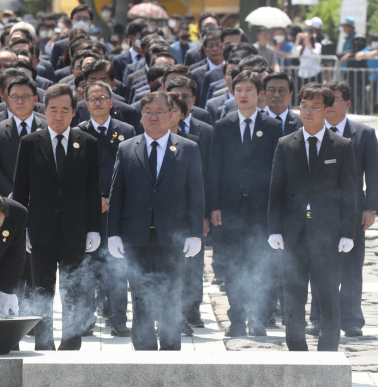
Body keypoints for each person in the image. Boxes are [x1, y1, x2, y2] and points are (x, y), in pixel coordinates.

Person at [108, 91, 204, 350]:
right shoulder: (127, 148)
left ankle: (171, 348)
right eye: (148, 111)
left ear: (171, 115)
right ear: (141, 116)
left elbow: (196, 194)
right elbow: (117, 193)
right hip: (135, 234)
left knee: (172, 294)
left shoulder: (188, 148)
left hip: (173, 235)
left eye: (159, 111)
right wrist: (113, 233)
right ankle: (144, 348)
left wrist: (196, 233)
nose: (153, 116)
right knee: (139, 294)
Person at [12, 84, 102, 350]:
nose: (58, 116)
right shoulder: (30, 143)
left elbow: (92, 189)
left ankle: (71, 341)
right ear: (44, 110)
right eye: (53, 109)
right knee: (42, 289)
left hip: (75, 230)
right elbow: (20, 191)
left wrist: (94, 229)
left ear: (74, 112)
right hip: (41, 230)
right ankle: (44, 341)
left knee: (73, 290)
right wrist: (22, 229)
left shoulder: (88, 143)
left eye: (65, 110)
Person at [268, 84, 357, 351]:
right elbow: (276, 190)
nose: (307, 111)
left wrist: (347, 232)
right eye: (304, 106)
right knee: (293, 293)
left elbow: (350, 192)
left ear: (327, 110)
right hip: (294, 232)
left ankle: (328, 349)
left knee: (328, 294)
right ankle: (297, 348)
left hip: (328, 234)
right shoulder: (285, 144)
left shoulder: (341, 146)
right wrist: (274, 229)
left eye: (314, 107)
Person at [209, 71, 284, 337]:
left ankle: (259, 317)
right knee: (233, 265)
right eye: (238, 89)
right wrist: (214, 205)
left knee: (262, 265)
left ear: (259, 94)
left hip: (262, 209)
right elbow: (214, 167)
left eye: (249, 90)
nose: (243, 94)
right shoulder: (223, 125)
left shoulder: (274, 127)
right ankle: (237, 318)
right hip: (230, 209)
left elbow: (279, 170)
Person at [305, 82, 378, 338]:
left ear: (347, 104)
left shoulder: (364, 133)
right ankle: (318, 317)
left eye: (334, 99)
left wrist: (371, 207)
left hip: (353, 211)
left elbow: (374, 173)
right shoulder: (311, 130)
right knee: (319, 265)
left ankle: (351, 319)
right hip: (319, 211)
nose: (329, 105)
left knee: (351, 266)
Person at [75, 81, 135, 337]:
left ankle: (118, 321)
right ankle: (84, 320)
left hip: (117, 211)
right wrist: (93, 198)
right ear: (86, 104)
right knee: (85, 269)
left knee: (117, 268)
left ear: (112, 102)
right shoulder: (78, 131)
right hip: (87, 212)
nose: (97, 102)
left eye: (102, 98)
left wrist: (112, 198)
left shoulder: (127, 130)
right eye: (92, 98)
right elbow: (75, 173)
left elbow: (132, 169)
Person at [167, 92, 210, 332]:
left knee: (184, 269)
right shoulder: (140, 141)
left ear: (182, 115)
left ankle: (184, 315)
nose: (168, 114)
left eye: (173, 109)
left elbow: (199, 184)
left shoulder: (192, 143)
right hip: (154, 217)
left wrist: (201, 216)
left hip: (183, 216)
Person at [0, 76, 47, 197]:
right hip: (8, 200)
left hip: (42, 197)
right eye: (15, 97)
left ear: (35, 99)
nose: (20, 101)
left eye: (24, 97)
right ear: (8, 100)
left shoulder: (48, 128)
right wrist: (12, 193)